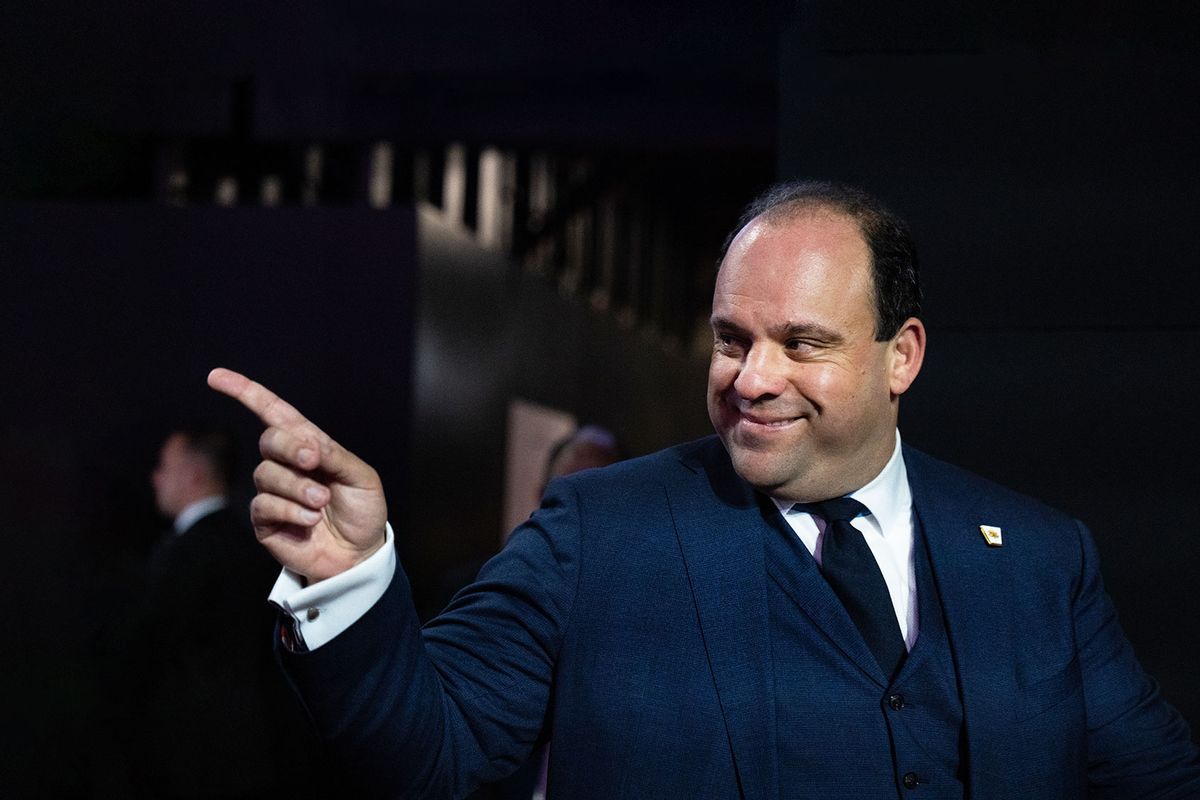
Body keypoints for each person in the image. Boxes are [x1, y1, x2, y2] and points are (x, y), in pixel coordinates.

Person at [209, 181, 1200, 798]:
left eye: (802, 342)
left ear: (901, 356)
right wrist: (351, 584)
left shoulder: (1036, 556)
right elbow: (433, 750)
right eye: (732, 338)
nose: (751, 376)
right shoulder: (598, 530)